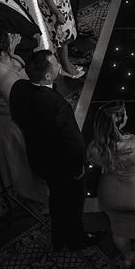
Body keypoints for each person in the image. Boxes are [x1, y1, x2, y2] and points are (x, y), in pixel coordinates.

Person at [11, 51, 102, 251]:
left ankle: (59, 238)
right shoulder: (55, 105)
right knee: (72, 202)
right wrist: (78, 167)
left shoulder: (19, 88)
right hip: (64, 164)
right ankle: (76, 238)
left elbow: (17, 116)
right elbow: (73, 141)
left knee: (57, 200)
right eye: (55, 64)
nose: (59, 64)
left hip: (40, 157)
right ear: (47, 77)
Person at [0, 30, 48, 203]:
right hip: (11, 123)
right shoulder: (4, 77)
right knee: (21, 159)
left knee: (13, 158)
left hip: (0, 117)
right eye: (8, 40)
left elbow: (11, 67)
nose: (12, 37)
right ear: (1, 52)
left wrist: (12, 50)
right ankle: (33, 193)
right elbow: (20, 104)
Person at [87, 102, 135, 269]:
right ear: (119, 121)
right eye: (125, 114)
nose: (127, 116)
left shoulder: (94, 147)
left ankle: (127, 258)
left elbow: (95, 162)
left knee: (118, 229)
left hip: (109, 193)